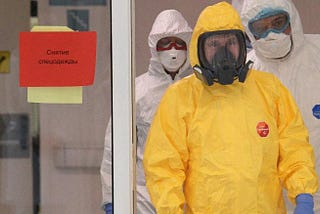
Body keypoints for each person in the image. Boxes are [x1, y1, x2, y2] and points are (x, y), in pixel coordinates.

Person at [142, 2, 318, 213]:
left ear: (242, 45)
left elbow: (294, 148)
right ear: (200, 48)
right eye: (214, 44)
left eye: (230, 42)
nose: (223, 52)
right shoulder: (181, 97)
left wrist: (304, 194)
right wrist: (171, 210)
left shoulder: (269, 89)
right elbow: (164, 166)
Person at [100, 9, 192, 214]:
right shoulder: (137, 91)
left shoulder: (197, 89)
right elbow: (114, 147)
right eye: (165, 44)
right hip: (145, 195)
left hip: (191, 194)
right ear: (154, 48)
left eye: (178, 43)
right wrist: (111, 197)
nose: (173, 50)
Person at [240, 0, 320, 212]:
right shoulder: (245, 75)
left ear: (292, 19)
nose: (272, 34)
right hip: (270, 202)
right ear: (250, 32)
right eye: (261, 28)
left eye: (278, 22)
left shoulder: (317, 57)